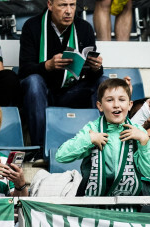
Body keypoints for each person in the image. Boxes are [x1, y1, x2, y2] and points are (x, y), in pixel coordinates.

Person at [19, 0, 105, 153]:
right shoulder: (32, 26)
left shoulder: (84, 28)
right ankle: (40, 150)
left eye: (72, 5)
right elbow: (24, 71)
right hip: (42, 92)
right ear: (50, 5)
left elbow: (93, 76)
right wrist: (47, 66)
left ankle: (102, 146)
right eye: (63, 5)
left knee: (104, 83)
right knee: (33, 82)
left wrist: (96, 68)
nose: (69, 11)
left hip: (72, 91)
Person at [55, 78, 150, 197]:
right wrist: (89, 139)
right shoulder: (93, 129)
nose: (116, 105)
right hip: (94, 204)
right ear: (100, 106)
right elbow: (60, 156)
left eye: (122, 100)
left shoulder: (138, 132)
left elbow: (148, 171)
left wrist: (144, 141)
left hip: (127, 204)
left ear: (129, 105)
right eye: (109, 100)